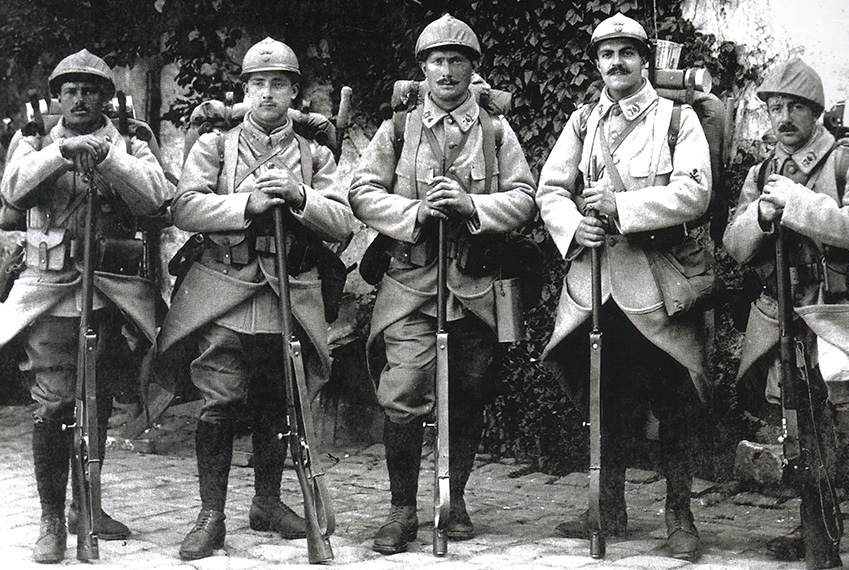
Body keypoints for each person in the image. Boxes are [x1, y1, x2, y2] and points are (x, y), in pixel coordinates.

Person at [154, 37, 354, 561]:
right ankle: (211, 514)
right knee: (219, 399)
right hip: (225, 285)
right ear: (246, 90)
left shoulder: (316, 154)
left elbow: (344, 224)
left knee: (278, 400)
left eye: (278, 83)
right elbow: (186, 208)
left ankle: (267, 501)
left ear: (293, 92)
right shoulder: (215, 146)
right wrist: (248, 202)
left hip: (289, 291)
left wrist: (298, 194)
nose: (268, 92)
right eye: (258, 83)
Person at [349, 14, 536, 555]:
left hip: (477, 285)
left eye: (458, 60)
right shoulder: (399, 129)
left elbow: (524, 197)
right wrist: (414, 211)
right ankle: (402, 509)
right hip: (411, 282)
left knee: (470, 392)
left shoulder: (497, 131)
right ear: (423, 69)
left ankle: (452, 499)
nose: (447, 70)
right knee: (403, 391)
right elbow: (362, 190)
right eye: (437, 60)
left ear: (473, 69)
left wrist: (472, 205)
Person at [536, 12, 713, 562]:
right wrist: (574, 225)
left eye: (627, 53)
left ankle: (678, 513)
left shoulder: (676, 120)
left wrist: (624, 208)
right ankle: (607, 505)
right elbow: (549, 188)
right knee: (601, 393)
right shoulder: (584, 120)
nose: (617, 63)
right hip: (596, 284)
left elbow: (695, 192)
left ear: (644, 61)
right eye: (607, 54)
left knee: (675, 397)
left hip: (658, 284)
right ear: (597, 63)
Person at [723, 58, 849, 570]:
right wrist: (760, 214)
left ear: (815, 112)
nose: (783, 117)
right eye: (775, 107)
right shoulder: (761, 173)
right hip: (786, 319)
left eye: (794, 106)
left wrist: (797, 202)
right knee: (802, 430)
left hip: (842, 314)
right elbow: (734, 245)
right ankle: (819, 541)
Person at [0, 49, 170, 563]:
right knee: (53, 404)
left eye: (90, 90)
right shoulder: (33, 138)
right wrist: (60, 153)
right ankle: (52, 520)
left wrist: (109, 156)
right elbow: (12, 190)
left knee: (96, 398)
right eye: (69, 90)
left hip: (110, 291)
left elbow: (156, 198)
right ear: (57, 97)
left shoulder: (133, 140)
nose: (79, 98)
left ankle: (86, 508)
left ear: (105, 97)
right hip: (47, 289)